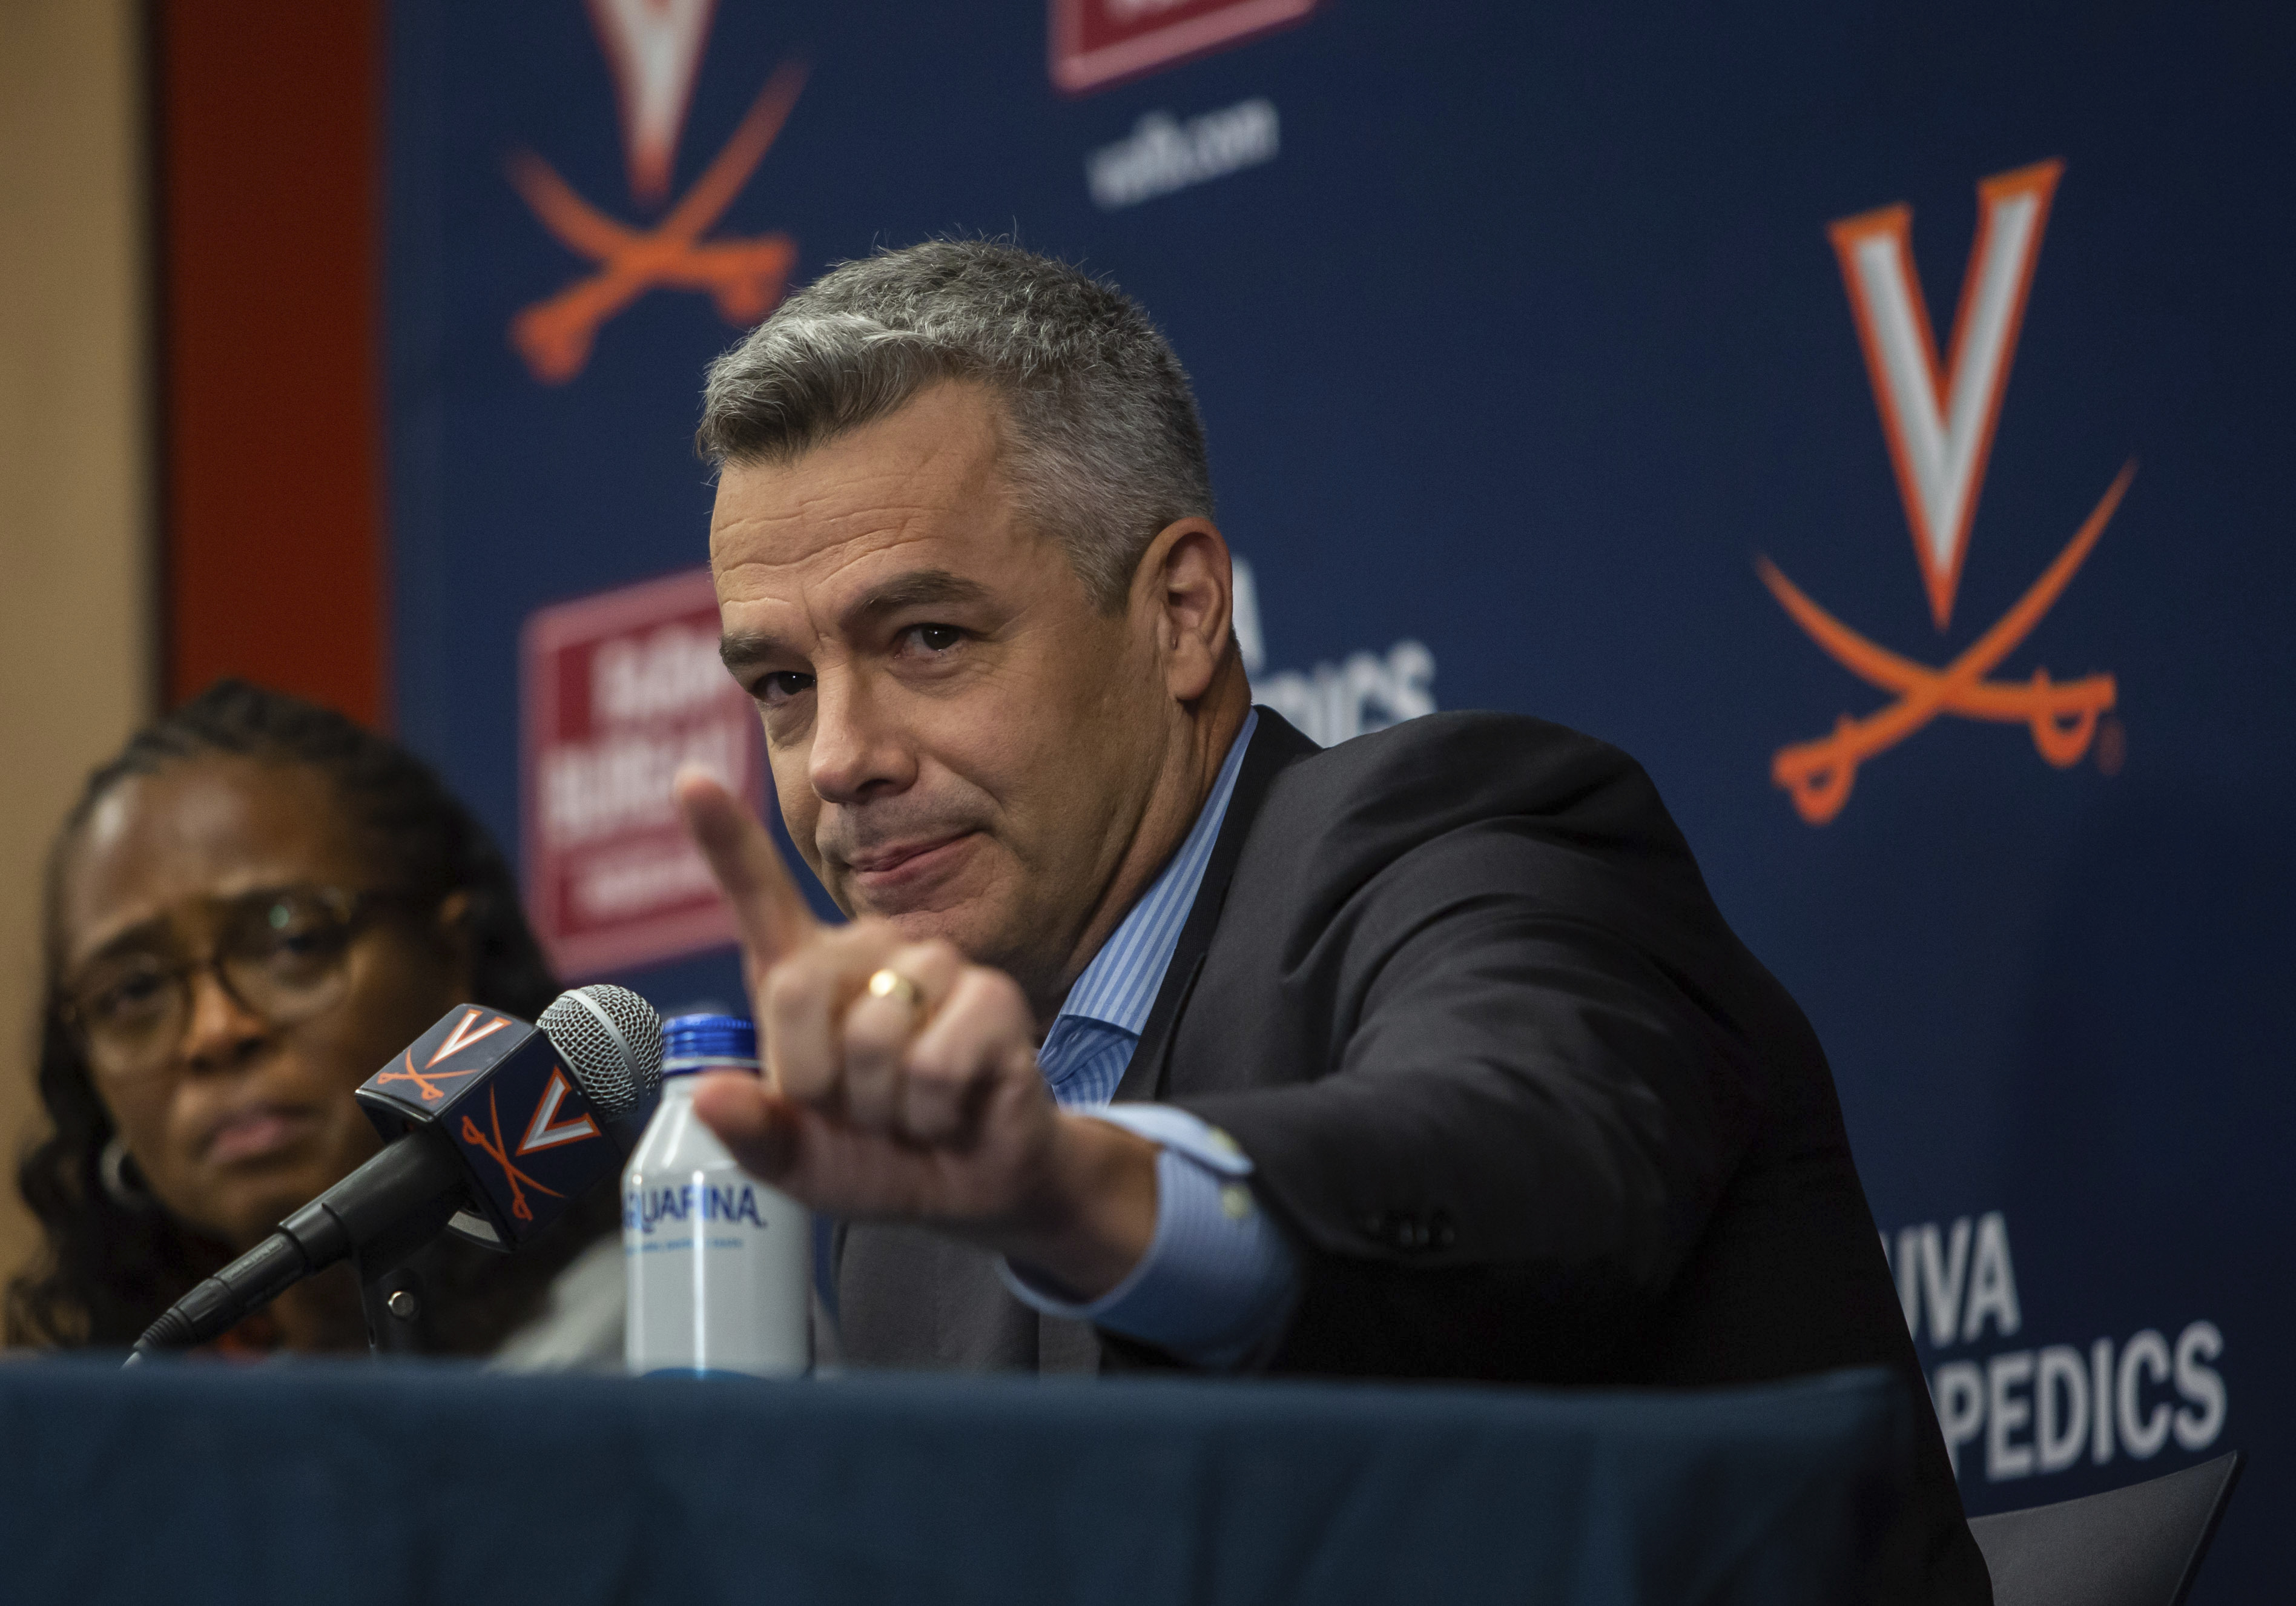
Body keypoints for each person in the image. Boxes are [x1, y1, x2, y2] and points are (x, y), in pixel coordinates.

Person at [666, 240, 1990, 1602]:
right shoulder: (910, 1208)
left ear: (1180, 614)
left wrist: (1083, 1190)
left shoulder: (1456, 837)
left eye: (927, 639)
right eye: (778, 682)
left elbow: (1524, 1145)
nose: (837, 757)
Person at [7, 679, 621, 1365]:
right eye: (133, 992)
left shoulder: (666, 1342)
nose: (214, 1032)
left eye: (292, 942)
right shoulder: (178, 1448)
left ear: (449, 959)